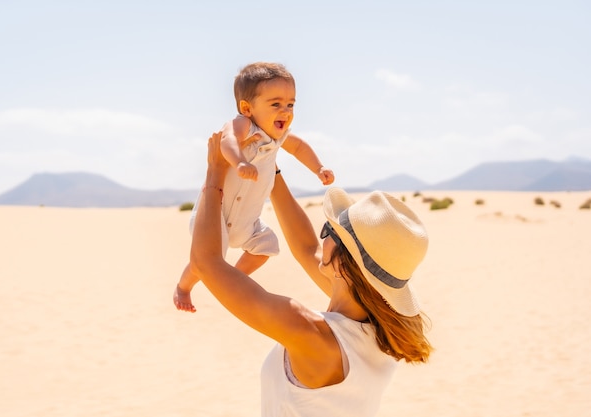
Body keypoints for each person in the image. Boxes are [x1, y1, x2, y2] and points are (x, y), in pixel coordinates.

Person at [187, 131, 433, 416]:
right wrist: (270, 164)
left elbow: (206, 263)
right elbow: (306, 248)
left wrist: (215, 171)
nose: (322, 235)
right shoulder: (377, 323)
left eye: (330, 231)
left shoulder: (310, 333)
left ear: (343, 266)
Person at [175, 62, 334, 312]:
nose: (285, 111)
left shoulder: (277, 137)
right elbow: (226, 141)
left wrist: (318, 168)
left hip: (246, 221)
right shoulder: (243, 125)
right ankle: (183, 288)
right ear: (247, 108)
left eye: (290, 104)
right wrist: (238, 161)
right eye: (275, 104)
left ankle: (235, 278)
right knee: (202, 261)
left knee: (267, 246)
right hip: (216, 214)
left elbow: (300, 147)